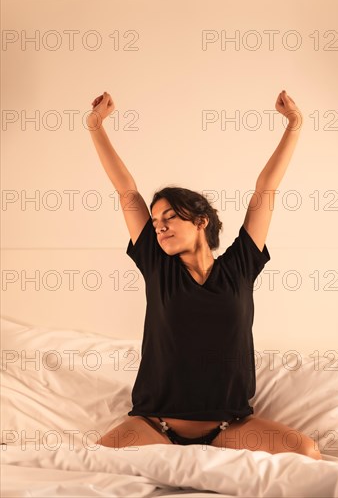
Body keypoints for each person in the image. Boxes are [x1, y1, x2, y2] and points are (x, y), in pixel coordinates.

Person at [87, 91, 321, 459]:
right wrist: (95, 127)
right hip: (155, 425)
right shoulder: (157, 265)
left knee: (306, 452)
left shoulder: (239, 265)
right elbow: (126, 191)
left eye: (170, 218)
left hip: (228, 427)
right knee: (83, 467)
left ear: (200, 221)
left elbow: (266, 189)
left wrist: (294, 125)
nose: (159, 228)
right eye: (155, 222)